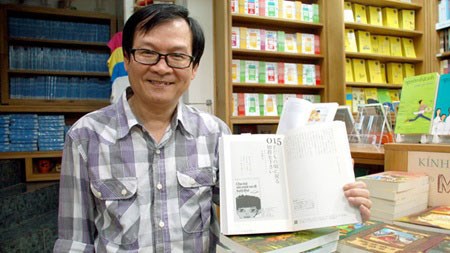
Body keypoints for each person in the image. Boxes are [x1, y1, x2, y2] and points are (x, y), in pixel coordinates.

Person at [53, 4, 371, 252]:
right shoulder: (85, 136)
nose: (161, 67)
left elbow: (259, 218)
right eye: (148, 52)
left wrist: (335, 202)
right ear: (128, 57)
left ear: (193, 68)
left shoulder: (216, 134)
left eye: (177, 56)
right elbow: (75, 242)